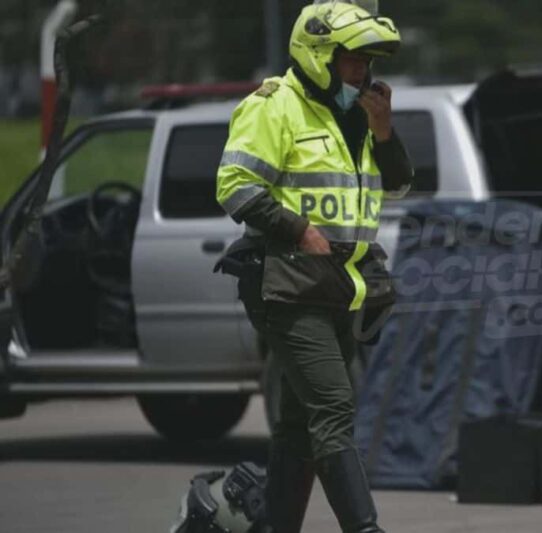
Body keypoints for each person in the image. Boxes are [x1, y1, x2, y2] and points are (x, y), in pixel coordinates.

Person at [214, 2, 413, 532]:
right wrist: (298, 229)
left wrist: (385, 129)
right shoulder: (274, 106)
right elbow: (235, 188)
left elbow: (397, 184)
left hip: (341, 288)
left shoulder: (357, 116)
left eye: (368, 62)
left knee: (299, 428)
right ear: (319, 54)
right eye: (353, 60)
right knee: (334, 408)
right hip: (288, 283)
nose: (363, 72)